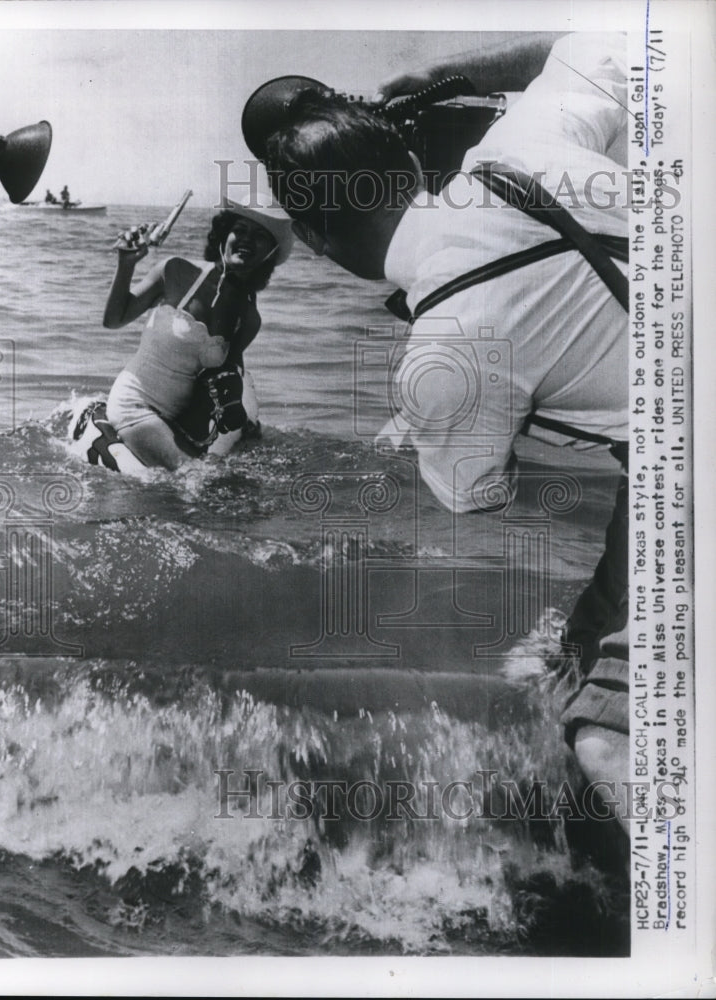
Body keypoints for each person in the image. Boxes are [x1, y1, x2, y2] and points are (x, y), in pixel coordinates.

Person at [257, 34, 631, 829]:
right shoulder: (522, 141)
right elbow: (605, 35)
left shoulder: (441, 351)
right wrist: (437, 77)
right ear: (410, 164)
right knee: (568, 659)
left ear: (316, 243)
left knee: (608, 742)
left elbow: (478, 497)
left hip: (679, 478)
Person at [102, 196, 292, 470]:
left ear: (270, 253)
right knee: (197, 482)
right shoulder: (177, 271)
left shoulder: (249, 318)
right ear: (224, 234)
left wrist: (246, 426)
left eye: (260, 236)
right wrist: (126, 263)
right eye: (240, 229)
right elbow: (114, 319)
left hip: (179, 418)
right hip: (136, 403)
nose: (247, 240)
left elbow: (223, 380)